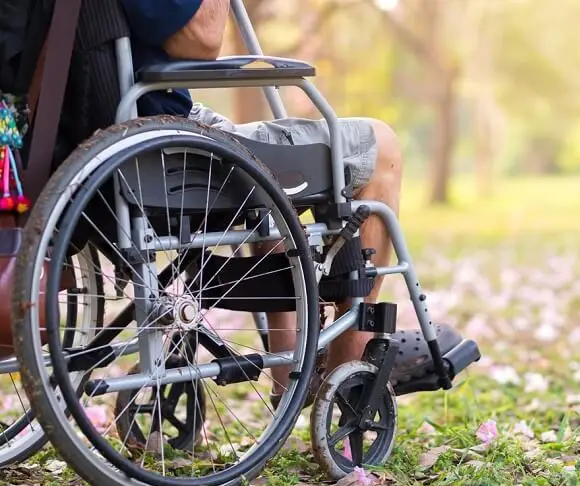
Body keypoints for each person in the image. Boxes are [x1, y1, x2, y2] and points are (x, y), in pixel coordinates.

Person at [119, 0, 460, 403]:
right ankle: (350, 364)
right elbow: (201, 39)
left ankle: (290, 370)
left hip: (109, 143)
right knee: (379, 145)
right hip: (166, 145)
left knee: (278, 181)